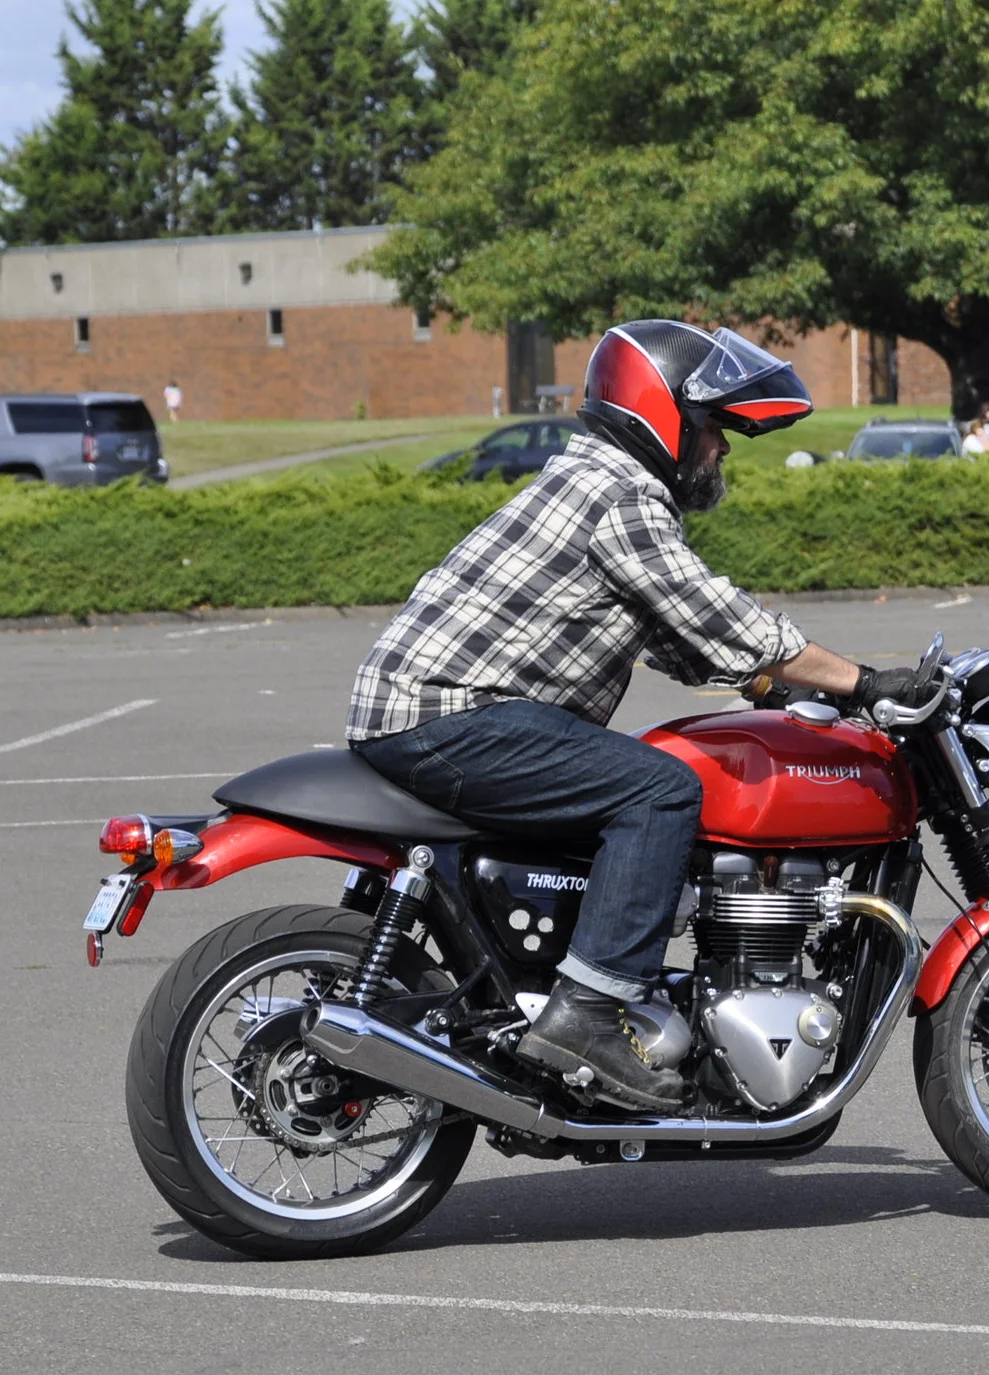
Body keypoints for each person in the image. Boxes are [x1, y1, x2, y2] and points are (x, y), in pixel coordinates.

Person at [347, 321, 937, 1113]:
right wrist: (861, 682)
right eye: (712, 428)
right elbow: (715, 612)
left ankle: (582, 993)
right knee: (659, 791)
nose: (721, 448)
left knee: (639, 780)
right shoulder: (621, 493)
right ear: (663, 416)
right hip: (454, 716)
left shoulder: (591, 480)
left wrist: (774, 688)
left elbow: (677, 638)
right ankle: (588, 1014)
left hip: (431, 711)